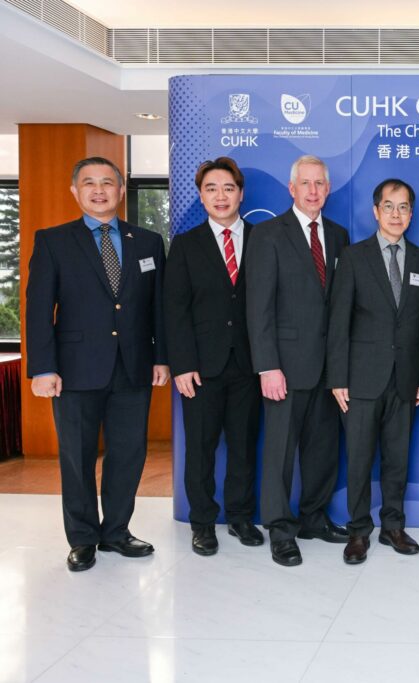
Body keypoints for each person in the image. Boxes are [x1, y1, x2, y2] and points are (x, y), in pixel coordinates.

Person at [26, 157, 169, 571]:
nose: (99, 189)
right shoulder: (53, 240)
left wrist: (161, 357)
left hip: (134, 366)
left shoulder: (147, 242)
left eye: (108, 182)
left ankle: (117, 531)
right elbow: (38, 310)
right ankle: (83, 537)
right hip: (73, 369)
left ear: (121, 190)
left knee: (129, 453)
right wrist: (43, 367)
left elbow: (156, 306)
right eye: (89, 183)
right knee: (78, 455)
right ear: (75, 191)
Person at [246, 155, 350, 567]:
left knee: (324, 448)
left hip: (329, 368)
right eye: (305, 183)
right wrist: (267, 366)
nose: (312, 190)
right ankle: (279, 527)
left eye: (319, 183)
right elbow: (259, 308)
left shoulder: (340, 236)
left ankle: (313, 517)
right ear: (291, 189)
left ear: (327, 189)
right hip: (284, 367)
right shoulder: (270, 234)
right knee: (280, 452)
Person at [328, 178, 419, 565]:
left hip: (405, 378)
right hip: (359, 379)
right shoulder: (354, 257)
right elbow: (338, 321)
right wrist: (337, 377)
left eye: (404, 207)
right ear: (375, 211)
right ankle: (358, 531)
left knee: (397, 458)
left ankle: (393, 526)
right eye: (389, 206)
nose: (396, 214)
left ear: (411, 213)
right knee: (358, 459)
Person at [164, 157, 263, 556]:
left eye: (227, 188)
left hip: (250, 365)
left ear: (240, 193)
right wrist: (182, 364)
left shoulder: (264, 238)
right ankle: (202, 522)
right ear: (201, 196)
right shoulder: (186, 245)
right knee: (201, 448)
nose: (220, 197)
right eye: (211, 189)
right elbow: (175, 309)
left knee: (244, 445)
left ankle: (240, 516)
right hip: (201, 367)